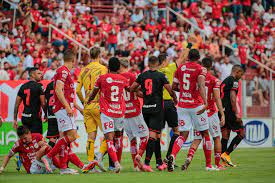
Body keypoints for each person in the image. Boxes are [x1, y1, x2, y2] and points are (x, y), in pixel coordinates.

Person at [41, 49, 97, 173]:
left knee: (65, 139)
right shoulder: (63, 71)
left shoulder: (63, 72)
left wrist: (79, 108)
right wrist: (66, 106)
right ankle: (48, 157)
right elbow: (58, 90)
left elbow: (67, 94)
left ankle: (63, 168)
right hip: (63, 109)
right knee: (71, 136)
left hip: (63, 107)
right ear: (73, 60)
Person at [168, 49, 216, 172]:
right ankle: (209, 165)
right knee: (205, 133)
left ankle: (172, 155)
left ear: (188, 57)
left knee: (183, 134)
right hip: (196, 105)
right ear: (198, 58)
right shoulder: (201, 69)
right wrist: (205, 102)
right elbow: (200, 85)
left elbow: (174, 87)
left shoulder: (181, 68)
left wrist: (185, 92)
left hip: (183, 105)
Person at [130, 56, 177, 172]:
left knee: (156, 136)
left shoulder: (142, 75)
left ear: (149, 63)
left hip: (145, 109)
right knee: (153, 136)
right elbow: (169, 89)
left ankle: (159, 162)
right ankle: (145, 162)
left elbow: (132, 89)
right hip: (157, 109)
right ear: (157, 64)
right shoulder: (161, 75)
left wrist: (144, 95)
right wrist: (174, 97)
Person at [181, 57, 226, 171]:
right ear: (211, 66)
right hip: (210, 113)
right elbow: (217, 98)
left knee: (197, 138)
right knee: (216, 138)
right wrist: (222, 113)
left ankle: (189, 158)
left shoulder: (197, 77)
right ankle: (216, 164)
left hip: (198, 111)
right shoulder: (214, 80)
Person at [0, 126, 98, 175]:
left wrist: (45, 144)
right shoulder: (18, 144)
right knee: (47, 148)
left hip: (45, 165)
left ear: (30, 133)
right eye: (22, 139)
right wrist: (2, 168)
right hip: (33, 168)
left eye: (25, 138)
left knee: (64, 147)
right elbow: (8, 155)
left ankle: (82, 166)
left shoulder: (37, 136)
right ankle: (63, 169)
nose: (24, 141)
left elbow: (48, 148)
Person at [87, 57, 128, 173]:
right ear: (119, 67)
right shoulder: (123, 79)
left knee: (109, 139)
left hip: (107, 112)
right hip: (119, 112)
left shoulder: (102, 78)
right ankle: (116, 162)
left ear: (108, 67)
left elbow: (94, 92)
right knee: (118, 138)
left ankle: (115, 163)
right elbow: (130, 90)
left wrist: (89, 100)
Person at [76, 47, 108, 167]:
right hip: (98, 105)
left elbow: (78, 90)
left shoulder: (83, 70)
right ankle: (99, 157)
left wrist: (84, 101)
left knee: (91, 136)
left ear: (90, 56)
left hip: (87, 106)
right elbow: (104, 86)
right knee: (108, 134)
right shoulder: (103, 69)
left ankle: (90, 162)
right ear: (99, 55)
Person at [119, 58, 149, 171]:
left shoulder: (117, 78)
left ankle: (135, 166)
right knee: (145, 137)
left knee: (132, 140)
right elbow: (139, 91)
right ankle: (139, 156)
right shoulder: (132, 76)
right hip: (135, 112)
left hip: (124, 114)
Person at [220, 65, 245, 167]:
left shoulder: (225, 80)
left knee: (225, 134)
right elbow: (233, 98)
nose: (241, 76)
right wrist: (236, 113)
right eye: (241, 74)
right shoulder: (234, 81)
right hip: (230, 112)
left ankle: (223, 161)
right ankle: (226, 154)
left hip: (222, 111)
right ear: (237, 71)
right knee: (241, 133)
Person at [14, 67, 45, 134]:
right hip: (35, 118)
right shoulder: (39, 86)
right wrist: (46, 114)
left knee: (27, 139)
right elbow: (43, 103)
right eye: (38, 73)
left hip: (25, 117)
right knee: (37, 139)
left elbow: (17, 104)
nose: (41, 75)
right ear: (33, 75)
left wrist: (15, 119)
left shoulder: (23, 86)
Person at [44, 81, 59, 148]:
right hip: (60, 113)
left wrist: (46, 114)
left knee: (52, 138)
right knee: (65, 137)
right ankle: (64, 157)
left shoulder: (49, 85)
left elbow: (45, 99)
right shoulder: (62, 83)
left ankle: (47, 155)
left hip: (51, 114)